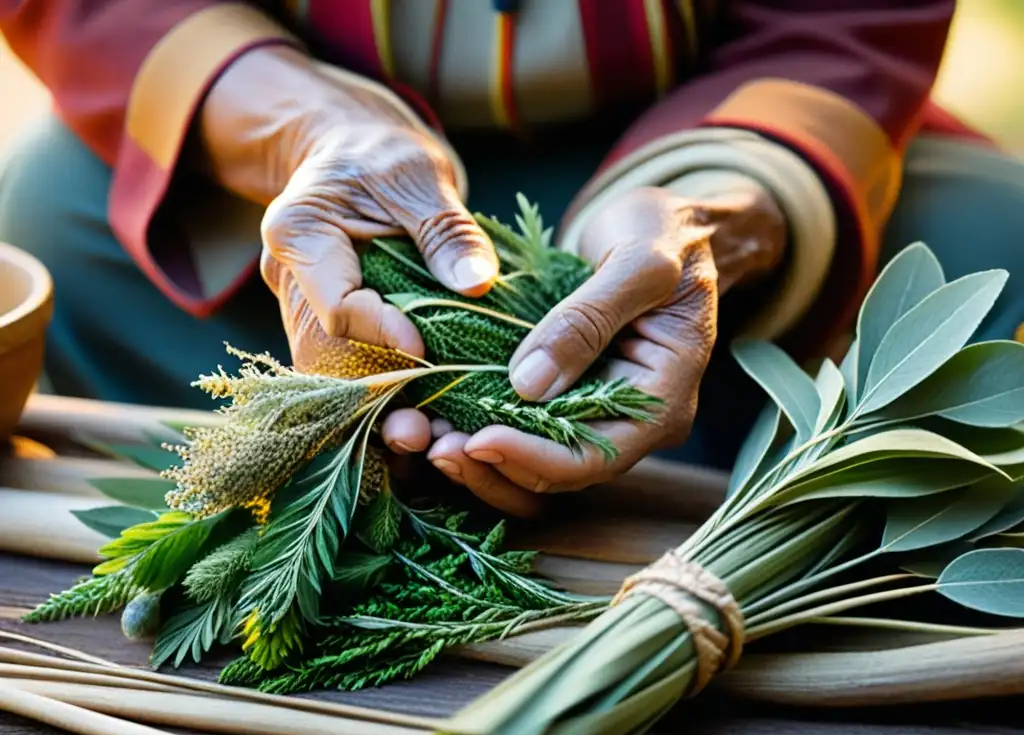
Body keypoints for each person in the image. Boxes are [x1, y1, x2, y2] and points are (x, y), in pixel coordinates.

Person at [1, 1, 1021, 518]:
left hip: (703, 128)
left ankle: (696, 488)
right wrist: (298, 126)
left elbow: (847, 23)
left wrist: (722, 203)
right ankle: (309, 490)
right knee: (56, 214)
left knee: (991, 242)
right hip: (302, 151)